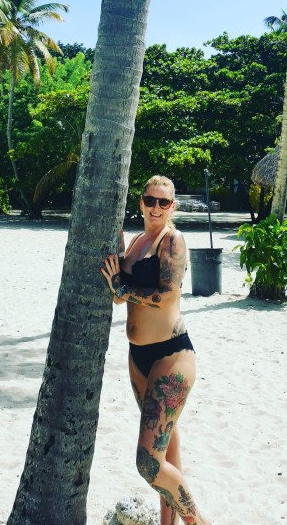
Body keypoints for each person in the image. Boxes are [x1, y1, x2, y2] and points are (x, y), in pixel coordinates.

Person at [101, 175, 211, 525]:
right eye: (150, 200)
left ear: (172, 206)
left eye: (164, 202)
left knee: (148, 463)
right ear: (141, 202)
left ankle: (198, 522)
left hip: (171, 356)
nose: (156, 207)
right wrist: (117, 279)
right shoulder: (136, 242)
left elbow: (167, 296)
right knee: (165, 453)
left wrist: (121, 287)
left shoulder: (172, 241)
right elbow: (119, 297)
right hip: (138, 358)